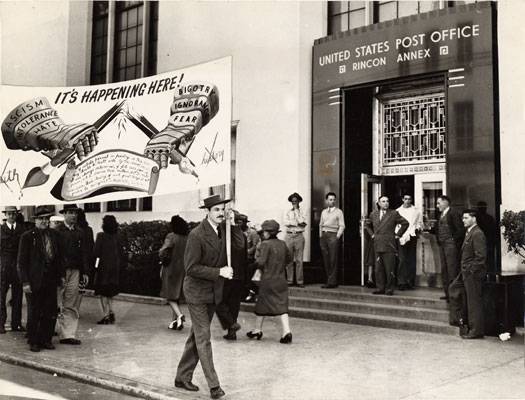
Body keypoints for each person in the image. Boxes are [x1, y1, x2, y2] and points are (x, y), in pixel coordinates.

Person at [174, 194, 234, 400]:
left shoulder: (223, 231)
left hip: (212, 293)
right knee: (203, 338)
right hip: (197, 293)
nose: (221, 213)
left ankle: (182, 377)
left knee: (197, 336)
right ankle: (214, 386)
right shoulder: (196, 235)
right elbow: (191, 268)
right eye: (216, 210)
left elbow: (238, 248)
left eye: (222, 210)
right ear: (207, 212)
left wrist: (233, 226)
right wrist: (219, 272)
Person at [17, 206, 64, 352]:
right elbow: (21, 262)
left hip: (50, 279)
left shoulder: (55, 235)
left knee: (50, 311)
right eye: (41, 219)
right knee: (34, 311)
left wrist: (61, 276)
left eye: (46, 219)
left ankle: (46, 339)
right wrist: (25, 282)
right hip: (34, 280)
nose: (44, 221)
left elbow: (59, 259)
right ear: (35, 220)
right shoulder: (27, 236)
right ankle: (34, 341)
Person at [246, 219, 293, 343]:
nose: (263, 234)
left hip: (268, 280)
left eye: (264, 231)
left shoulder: (265, 244)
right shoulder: (282, 244)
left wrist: (252, 266)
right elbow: (289, 258)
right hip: (281, 279)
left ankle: (260, 330)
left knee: (263, 304)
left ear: (268, 232)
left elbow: (261, 262)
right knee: (280, 305)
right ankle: (284, 331)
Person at [55, 204, 90, 345]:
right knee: (56, 303)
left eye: (75, 213)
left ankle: (68, 334)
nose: (73, 215)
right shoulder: (57, 231)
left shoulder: (80, 232)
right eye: (70, 213)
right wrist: (59, 273)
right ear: (64, 214)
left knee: (71, 303)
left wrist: (85, 272)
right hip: (60, 272)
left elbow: (84, 254)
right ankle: (50, 330)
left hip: (75, 271)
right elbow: (55, 255)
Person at [449, 210, 487, 339]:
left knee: (473, 302)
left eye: (466, 218)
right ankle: (459, 321)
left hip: (472, 273)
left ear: (474, 219)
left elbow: (481, 257)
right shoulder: (470, 232)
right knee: (453, 289)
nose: (463, 220)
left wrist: (470, 270)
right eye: (463, 218)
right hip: (465, 272)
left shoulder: (477, 233)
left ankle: (476, 331)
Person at [365, 195, 409, 296]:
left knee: (389, 268)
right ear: (379, 203)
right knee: (378, 268)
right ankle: (380, 288)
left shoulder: (393, 213)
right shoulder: (373, 214)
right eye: (383, 201)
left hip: (389, 244)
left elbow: (405, 223)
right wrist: (372, 235)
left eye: (387, 201)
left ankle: (389, 289)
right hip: (377, 243)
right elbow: (367, 225)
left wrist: (398, 235)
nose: (386, 203)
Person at [216, 212, 247, 340]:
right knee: (233, 304)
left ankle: (231, 325)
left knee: (218, 301)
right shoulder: (241, 235)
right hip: (238, 274)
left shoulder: (226, 236)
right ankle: (231, 331)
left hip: (228, 274)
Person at [159, 215, 189, 330]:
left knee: (169, 294)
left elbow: (163, 251)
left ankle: (180, 315)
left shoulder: (171, 236)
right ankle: (175, 321)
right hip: (183, 268)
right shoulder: (187, 237)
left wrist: (162, 259)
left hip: (171, 268)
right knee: (176, 295)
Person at [93, 215, 125, 325]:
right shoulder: (118, 237)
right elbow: (121, 253)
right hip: (115, 268)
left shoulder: (100, 236)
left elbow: (96, 253)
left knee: (103, 293)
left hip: (103, 268)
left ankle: (105, 315)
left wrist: (95, 267)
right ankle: (111, 311)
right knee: (111, 292)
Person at [0, 206, 26, 333]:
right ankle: (1, 323)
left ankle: (16, 324)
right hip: (4, 267)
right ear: (6, 215)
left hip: (17, 267)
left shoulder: (22, 229)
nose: (11, 216)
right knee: (1, 296)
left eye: (13, 214)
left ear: (16, 215)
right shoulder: (1, 229)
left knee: (17, 296)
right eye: (9, 214)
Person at [434, 195, 464, 301]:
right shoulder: (441, 214)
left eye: (439, 203)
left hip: (450, 245)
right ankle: (447, 293)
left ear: (446, 202)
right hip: (443, 245)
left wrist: (453, 240)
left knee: (452, 269)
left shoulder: (453, 213)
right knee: (444, 269)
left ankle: (454, 295)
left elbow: (460, 229)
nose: (437, 206)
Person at [396, 194, 423, 290]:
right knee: (402, 260)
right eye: (405, 199)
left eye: (409, 199)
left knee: (411, 259)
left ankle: (410, 281)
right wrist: (398, 235)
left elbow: (419, 223)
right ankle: (401, 282)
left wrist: (417, 229)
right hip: (402, 236)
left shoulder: (416, 210)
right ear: (402, 199)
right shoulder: (398, 211)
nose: (407, 200)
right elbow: (396, 225)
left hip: (412, 236)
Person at [319, 192, 345, 288]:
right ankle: (328, 280)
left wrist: (337, 236)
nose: (332, 201)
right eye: (330, 199)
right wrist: (321, 236)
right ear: (326, 200)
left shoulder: (339, 212)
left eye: (334, 199)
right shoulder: (323, 212)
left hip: (333, 235)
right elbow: (320, 224)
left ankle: (332, 282)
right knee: (326, 259)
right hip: (324, 236)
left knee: (333, 259)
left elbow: (342, 225)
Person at [284, 192, 307, 287]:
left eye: (296, 201)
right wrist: (296, 222)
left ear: (299, 201)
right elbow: (286, 222)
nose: (294, 203)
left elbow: (303, 223)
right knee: (289, 259)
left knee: (299, 260)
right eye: (292, 201)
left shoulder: (303, 211)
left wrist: (297, 214)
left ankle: (299, 281)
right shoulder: (287, 211)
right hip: (289, 236)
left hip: (299, 235)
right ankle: (289, 280)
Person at [475, 201, 497, 275]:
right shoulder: (476, 219)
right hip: (481, 242)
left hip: (489, 242)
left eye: (484, 207)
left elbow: (493, 231)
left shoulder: (489, 218)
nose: (483, 209)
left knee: (489, 261)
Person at [243, 219, 261, 303]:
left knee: (251, 276)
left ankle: (253, 294)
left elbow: (254, 246)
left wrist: (247, 253)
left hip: (251, 259)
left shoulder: (253, 233)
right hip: (243, 259)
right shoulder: (238, 232)